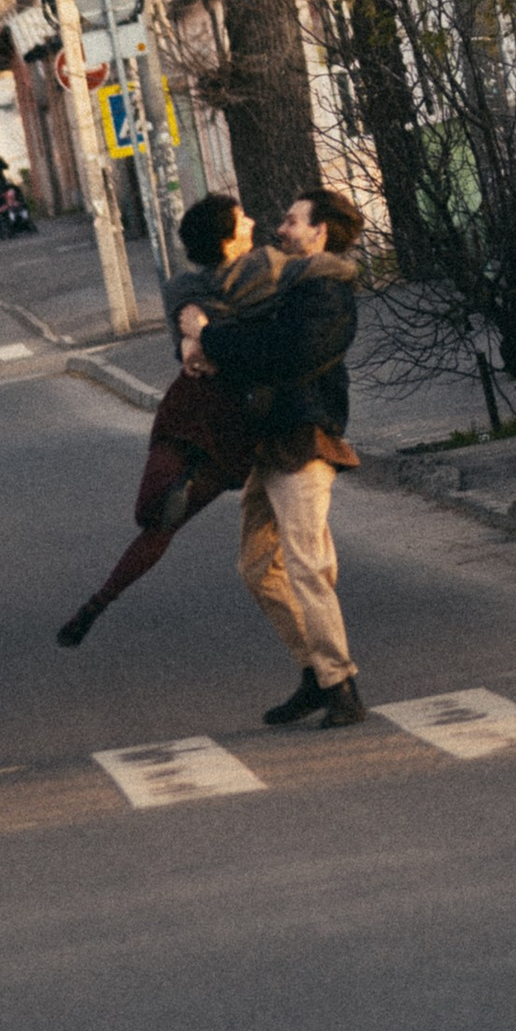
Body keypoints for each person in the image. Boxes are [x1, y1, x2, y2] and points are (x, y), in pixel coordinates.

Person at [53, 194, 272, 646]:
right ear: (225, 239)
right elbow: (191, 314)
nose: (251, 222)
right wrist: (195, 335)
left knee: (172, 515)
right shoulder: (187, 288)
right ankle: (98, 603)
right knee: (154, 511)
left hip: (233, 423)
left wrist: (202, 339)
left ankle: (98, 602)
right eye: (241, 218)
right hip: (190, 414)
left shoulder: (265, 277)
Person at [191, 189, 367, 730]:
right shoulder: (286, 283)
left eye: (292, 221)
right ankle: (316, 671)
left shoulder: (326, 290)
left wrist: (211, 339)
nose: (281, 228)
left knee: (307, 565)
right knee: (257, 566)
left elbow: (283, 354)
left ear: (319, 233)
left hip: (303, 438)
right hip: (269, 443)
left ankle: (340, 686)